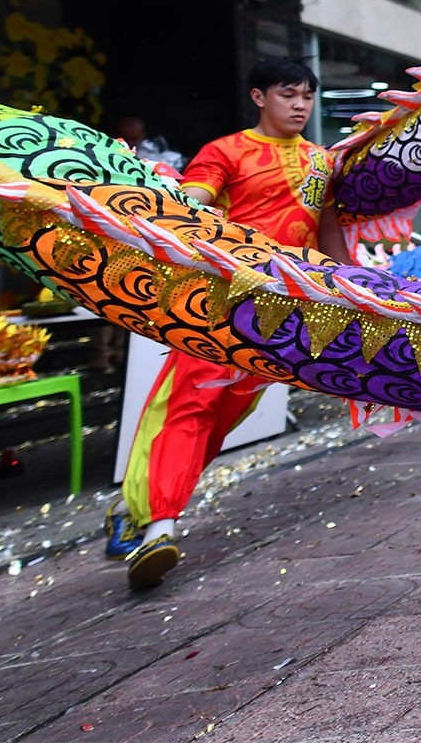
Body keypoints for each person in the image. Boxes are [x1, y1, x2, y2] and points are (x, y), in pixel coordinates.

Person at [114, 59, 345, 589]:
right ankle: (159, 526)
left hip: (282, 313)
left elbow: (326, 227)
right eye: (289, 94)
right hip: (215, 303)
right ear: (259, 97)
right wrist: (168, 201)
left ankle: (135, 507)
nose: (300, 105)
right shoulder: (225, 151)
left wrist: (349, 285)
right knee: (189, 405)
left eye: (308, 96)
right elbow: (193, 200)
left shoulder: (321, 160)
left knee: (221, 419)